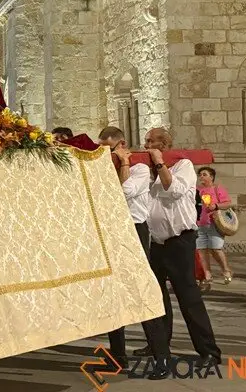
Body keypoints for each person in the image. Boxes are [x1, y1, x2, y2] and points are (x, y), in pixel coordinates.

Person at [137, 128, 222, 366]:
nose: (146, 145)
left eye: (151, 141)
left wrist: (160, 164)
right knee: (157, 296)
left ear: (163, 144)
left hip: (180, 240)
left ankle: (209, 352)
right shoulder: (147, 171)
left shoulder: (182, 165)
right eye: (145, 141)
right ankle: (159, 344)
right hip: (156, 241)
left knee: (188, 297)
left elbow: (172, 191)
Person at [97, 127, 169, 379]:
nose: (105, 154)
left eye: (109, 148)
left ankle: (162, 358)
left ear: (122, 145)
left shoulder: (139, 168)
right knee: (113, 292)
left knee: (142, 292)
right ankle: (118, 357)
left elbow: (123, 192)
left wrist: (125, 162)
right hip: (112, 231)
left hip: (136, 231)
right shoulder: (105, 168)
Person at [195, 167, 233, 290]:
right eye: (200, 175)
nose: (201, 177)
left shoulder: (217, 189)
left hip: (214, 223)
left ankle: (226, 270)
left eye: (204, 174)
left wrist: (216, 205)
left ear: (211, 177)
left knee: (216, 248)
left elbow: (227, 203)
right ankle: (207, 274)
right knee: (202, 250)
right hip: (199, 223)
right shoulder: (197, 190)